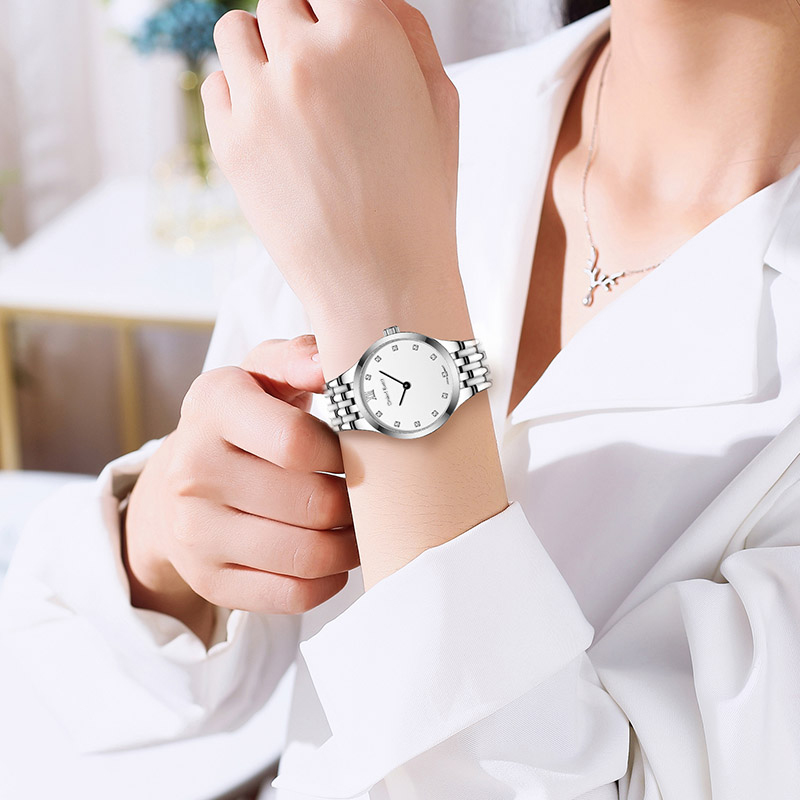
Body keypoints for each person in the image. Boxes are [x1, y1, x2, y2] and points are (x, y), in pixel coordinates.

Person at [2, 0, 800, 797]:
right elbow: (69, 667)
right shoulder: (388, 114)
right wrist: (165, 541)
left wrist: (391, 309)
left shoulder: (378, 134)